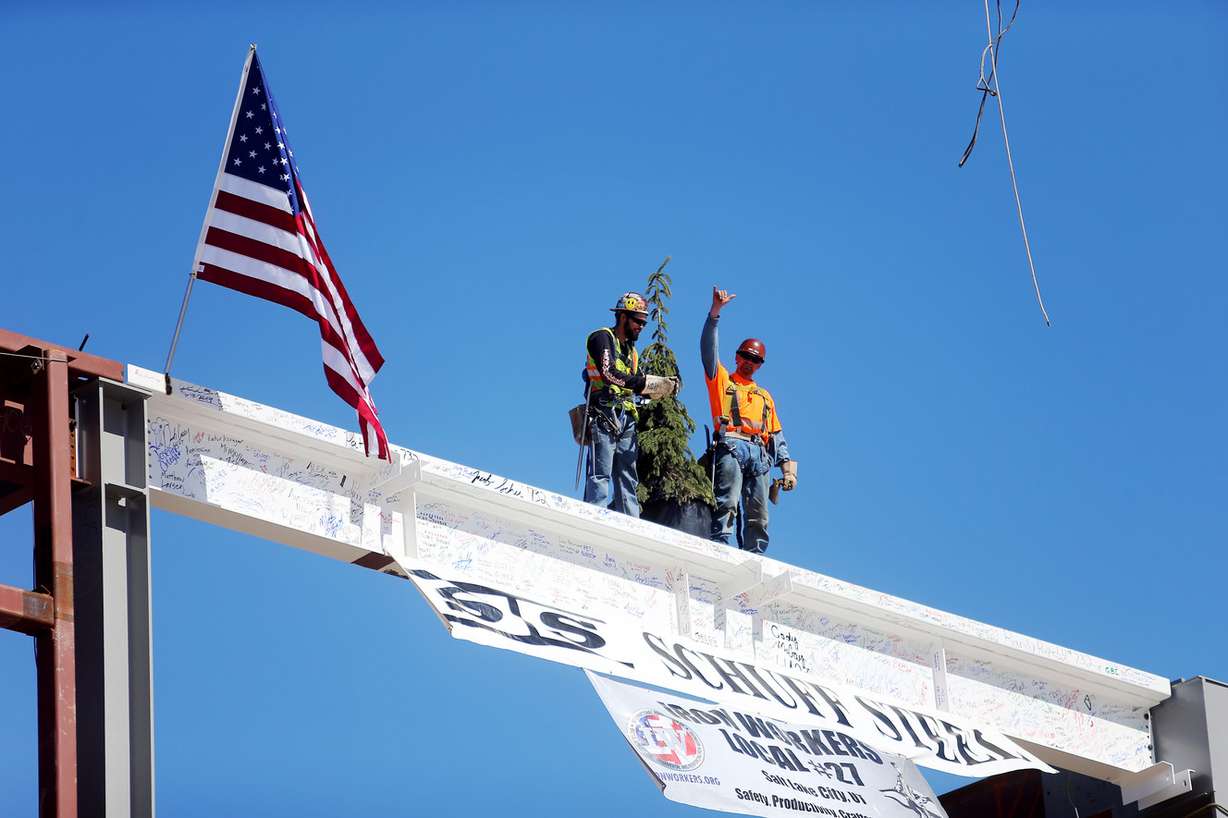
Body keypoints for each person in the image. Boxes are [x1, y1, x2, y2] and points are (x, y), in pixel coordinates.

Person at [701, 287, 796, 553]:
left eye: (755, 360)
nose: (749, 363)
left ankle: (755, 557)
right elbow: (708, 350)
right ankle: (719, 547)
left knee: (759, 515)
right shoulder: (722, 381)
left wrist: (788, 470)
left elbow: (777, 437)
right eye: (746, 357)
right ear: (737, 357)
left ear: (760, 364)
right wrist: (715, 313)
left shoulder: (764, 396)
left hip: (759, 455)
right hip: (732, 446)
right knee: (727, 502)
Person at [582, 292, 679, 516]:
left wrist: (658, 389)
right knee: (601, 472)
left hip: (626, 417)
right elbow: (608, 374)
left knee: (627, 476)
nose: (641, 327)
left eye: (644, 323)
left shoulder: (631, 353)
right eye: (637, 321)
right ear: (623, 316)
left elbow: (636, 382)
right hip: (604, 413)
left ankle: (631, 523)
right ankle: (592, 519)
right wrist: (645, 383)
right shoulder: (602, 337)